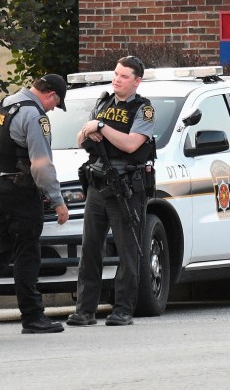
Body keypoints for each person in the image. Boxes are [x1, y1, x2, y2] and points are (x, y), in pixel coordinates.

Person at [0, 74, 70, 334]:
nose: (52, 109)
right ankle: (33, 316)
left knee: (2, 248)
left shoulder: (6, 103)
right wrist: (58, 202)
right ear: (51, 95)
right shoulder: (34, 115)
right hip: (20, 191)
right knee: (28, 253)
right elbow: (42, 165)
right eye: (55, 104)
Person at [68, 55, 155, 327]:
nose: (117, 79)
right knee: (91, 249)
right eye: (116, 74)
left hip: (126, 187)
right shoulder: (103, 102)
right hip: (98, 184)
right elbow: (81, 138)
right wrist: (91, 129)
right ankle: (85, 310)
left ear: (137, 81)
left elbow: (131, 145)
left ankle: (122, 309)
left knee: (128, 250)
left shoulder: (143, 109)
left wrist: (102, 128)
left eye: (124, 76)